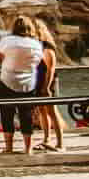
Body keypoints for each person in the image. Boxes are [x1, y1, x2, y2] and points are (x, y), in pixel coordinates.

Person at [0, 15, 42, 155]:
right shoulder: (36, 44)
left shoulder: (7, 41)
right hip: (28, 84)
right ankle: (28, 148)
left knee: (7, 114)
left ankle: (9, 147)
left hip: (8, 81)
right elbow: (37, 62)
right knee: (27, 115)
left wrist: (8, 56)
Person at [32, 20, 65, 152]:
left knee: (52, 112)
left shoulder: (47, 48)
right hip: (38, 82)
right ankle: (46, 139)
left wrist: (46, 87)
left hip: (47, 83)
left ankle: (60, 143)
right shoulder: (37, 46)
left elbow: (50, 70)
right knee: (42, 111)